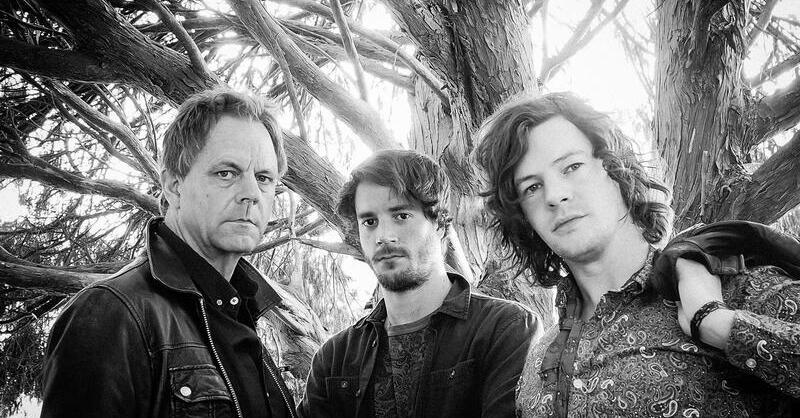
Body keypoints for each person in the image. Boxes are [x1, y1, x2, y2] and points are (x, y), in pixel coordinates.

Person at [473, 92, 800, 417]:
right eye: (531, 187)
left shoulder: (729, 287)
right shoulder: (536, 364)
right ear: (523, 219)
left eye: (571, 166)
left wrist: (719, 324)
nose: (555, 195)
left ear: (616, 168)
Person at [41, 88, 297, 418]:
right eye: (226, 173)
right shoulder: (113, 314)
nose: (251, 194)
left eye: (263, 178)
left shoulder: (243, 311)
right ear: (174, 186)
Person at [298, 150, 539, 417]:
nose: (383, 236)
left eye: (401, 216)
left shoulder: (505, 329)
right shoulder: (334, 358)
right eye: (369, 222)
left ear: (439, 224)